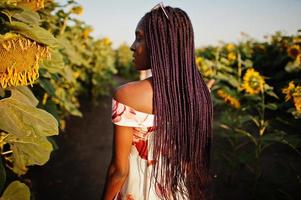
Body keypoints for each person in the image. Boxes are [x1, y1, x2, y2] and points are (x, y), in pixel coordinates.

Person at [103, 3, 213, 200]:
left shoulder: (127, 95)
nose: (133, 46)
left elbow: (119, 170)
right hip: (178, 191)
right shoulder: (199, 92)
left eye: (139, 37)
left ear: (161, 42)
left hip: (137, 192)